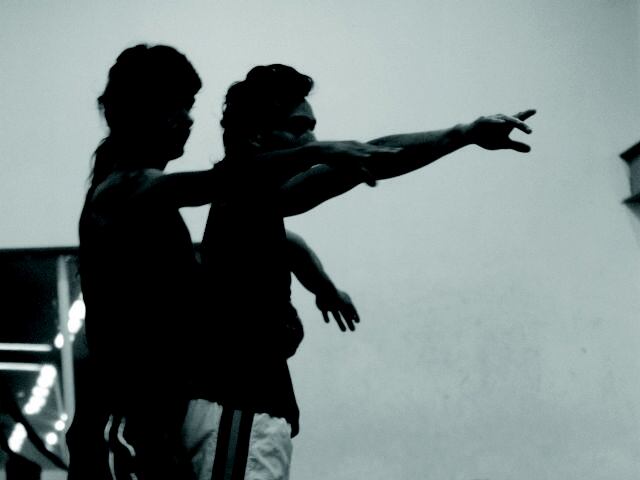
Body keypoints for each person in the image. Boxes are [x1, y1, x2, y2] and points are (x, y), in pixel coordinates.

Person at [183, 64, 535, 480]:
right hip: (238, 408)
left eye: (314, 129)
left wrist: (324, 288)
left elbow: (289, 244)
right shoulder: (242, 189)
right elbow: (371, 156)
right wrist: (463, 134)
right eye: (299, 128)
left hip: (246, 411)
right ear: (257, 136)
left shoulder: (247, 205)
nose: (313, 140)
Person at [69, 46, 388, 480]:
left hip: (152, 421)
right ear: (142, 113)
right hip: (129, 423)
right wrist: (319, 152)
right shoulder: (123, 189)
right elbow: (219, 182)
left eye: (190, 106)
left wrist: (321, 286)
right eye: (177, 107)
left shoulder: (146, 205)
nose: (188, 119)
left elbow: (278, 239)